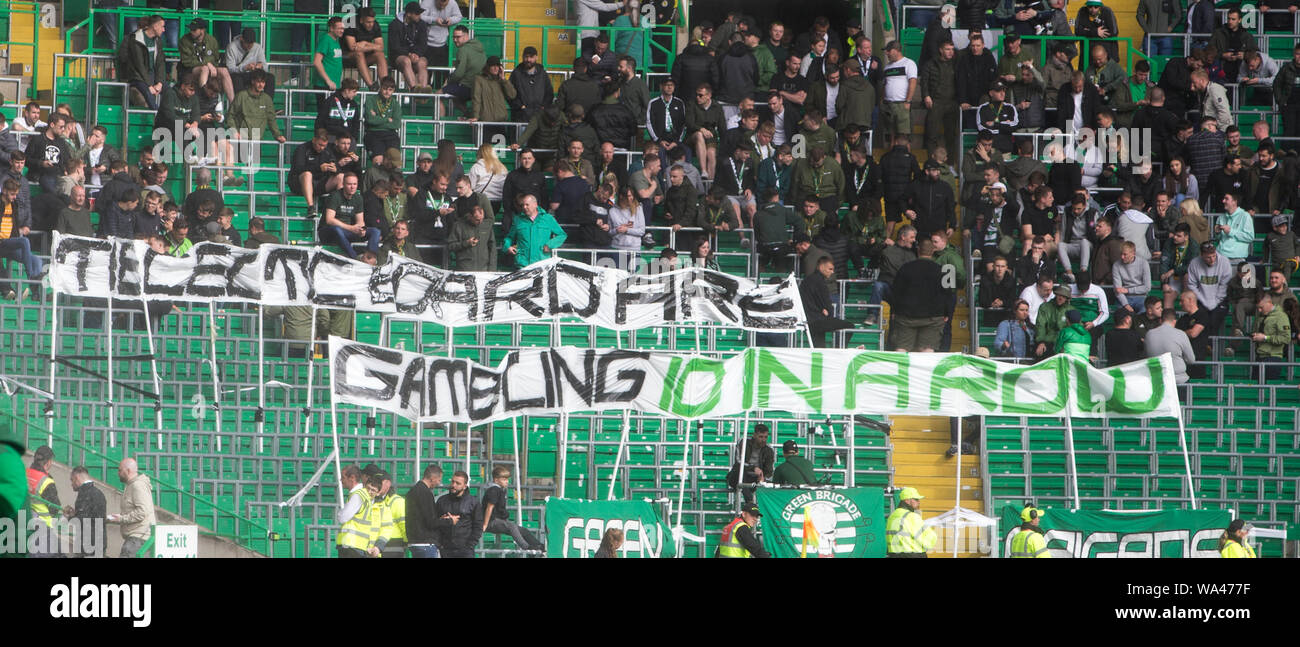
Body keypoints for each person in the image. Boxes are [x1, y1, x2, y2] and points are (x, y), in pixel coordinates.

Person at [889, 238, 948, 352]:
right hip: (933, 318)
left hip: (905, 317)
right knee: (927, 353)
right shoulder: (943, 270)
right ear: (933, 251)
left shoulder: (905, 268)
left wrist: (894, 311)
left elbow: (896, 292)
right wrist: (947, 313)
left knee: (901, 350)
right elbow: (948, 294)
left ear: (918, 250)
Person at [481, 466, 543, 552]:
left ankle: (539, 546)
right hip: (491, 521)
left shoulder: (500, 490)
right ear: (496, 480)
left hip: (499, 521)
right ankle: (526, 547)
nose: (507, 481)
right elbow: (489, 508)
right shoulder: (494, 490)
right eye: (504, 479)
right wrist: (485, 524)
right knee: (512, 526)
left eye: (507, 479)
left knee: (523, 530)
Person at [106, 457, 155, 558]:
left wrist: (122, 518)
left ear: (128, 471)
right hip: (138, 537)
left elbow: (142, 512)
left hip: (138, 538)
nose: (118, 473)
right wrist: (119, 518)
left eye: (120, 470)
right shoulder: (132, 485)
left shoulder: (137, 486)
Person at [116, 15, 168, 109]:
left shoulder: (158, 41)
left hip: (153, 78)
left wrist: (160, 82)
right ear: (155, 26)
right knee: (148, 100)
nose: (164, 30)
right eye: (162, 26)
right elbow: (139, 65)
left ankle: (177, 123)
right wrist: (149, 85)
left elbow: (160, 63)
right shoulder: (135, 39)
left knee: (172, 94)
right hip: (138, 78)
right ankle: (158, 117)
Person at [504, 194, 566, 269]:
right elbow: (509, 237)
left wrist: (550, 245)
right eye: (523, 205)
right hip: (523, 264)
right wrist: (507, 247)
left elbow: (562, 235)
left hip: (542, 263)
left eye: (527, 205)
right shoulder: (518, 219)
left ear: (535, 205)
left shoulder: (547, 218)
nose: (524, 207)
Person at [60, 465, 108, 558]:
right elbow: (92, 517)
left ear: (77, 478)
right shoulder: (98, 493)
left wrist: (68, 516)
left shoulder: (85, 494)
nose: (71, 483)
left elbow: (81, 520)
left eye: (72, 480)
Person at [433, 470, 483, 558]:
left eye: (457, 483)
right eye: (452, 482)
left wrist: (470, 545)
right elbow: (435, 522)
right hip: (446, 548)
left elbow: (478, 526)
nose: (453, 485)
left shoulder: (473, 502)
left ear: (464, 486)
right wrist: (440, 543)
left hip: (465, 549)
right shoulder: (442, 501)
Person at [1146, 309, 1198, 385]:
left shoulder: (1149, 334)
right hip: (1178, 380)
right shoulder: (1180, 334)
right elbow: (1191, 360)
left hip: (1156, 380)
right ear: (1175, 321)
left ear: (1161, 320)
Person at [442, 26, 486, 114]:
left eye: (458, 37)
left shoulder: (463, 50)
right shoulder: (481, 49)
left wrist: (448, 80)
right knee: (457, 98)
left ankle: (439, 123)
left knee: (438, 95)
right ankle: (468, 115)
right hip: (481, 87)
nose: (455, 40)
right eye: (453, 37)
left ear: (466, 36)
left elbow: (459, 73)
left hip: (468, 86)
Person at [389, 2, 431, 92]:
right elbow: (395, 46)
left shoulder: (422, 24)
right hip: (398, 56)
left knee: (422, 63)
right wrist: (408, 54)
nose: (419, 16)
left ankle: (423, 91)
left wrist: (416, 54)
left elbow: (423, 44)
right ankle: (414, 89)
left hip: (416, 55)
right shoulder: (394, 25)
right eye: (417, 14)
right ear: (408, 14)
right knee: (406, 61)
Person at [342, 7, 387, 89]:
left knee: (379, 54)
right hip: (347, 57)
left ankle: (386, 86)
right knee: (359, 53)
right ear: (361, 20)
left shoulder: (375, 25)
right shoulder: (351, 23)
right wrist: (372, 47)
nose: (371, 24)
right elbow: (352, 47)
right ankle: (371, 86)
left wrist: (365, 43)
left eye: (372, 22)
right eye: (368, 22)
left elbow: (380, 47)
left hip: (365, 57)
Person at [404, 464, 443, 558]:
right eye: (439, 479)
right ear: (432, 478)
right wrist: (449, 521)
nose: (439, 483)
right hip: (425, 543)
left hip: (414, 542)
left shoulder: (411, 491)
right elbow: (431, 522)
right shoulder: (426, 493)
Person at [885, 486, 936, 557]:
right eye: (916, 499)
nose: (919, 502)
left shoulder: (892, 516)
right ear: (907, 500)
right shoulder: (912, 516)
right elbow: (928, 541)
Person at [1252, 293, 1291, 380]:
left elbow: (1286, 338)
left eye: (1261, 307)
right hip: (1259, 356)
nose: (1259, 310)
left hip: (1273, 357)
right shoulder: (1261, 316)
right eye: (1258, 307)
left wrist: (1265, 338)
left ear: (1269, 303)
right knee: (1254, 390)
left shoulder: (1281, 316)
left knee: (1269, 389)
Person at [311, 16, 346, 98]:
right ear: (331, 28)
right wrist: (328, 80)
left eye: (343, 28)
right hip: (324, 84)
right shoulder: (325, 40)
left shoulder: (336, 40)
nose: (342, 31)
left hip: (334, 84)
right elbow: (317, 61)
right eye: (339, 28)